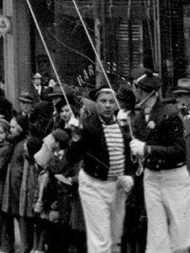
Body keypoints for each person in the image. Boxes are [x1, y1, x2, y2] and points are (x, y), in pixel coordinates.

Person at [130, 70, 190, 253]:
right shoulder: (139, 118)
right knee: (156, 234)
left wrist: (147, 149)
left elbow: (179, 150)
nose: (136, 94)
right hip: (152, 177)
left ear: (146, 92)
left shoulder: (169, 114)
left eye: (138, 90)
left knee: (180, 233)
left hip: (173, 177)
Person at [70, 84, 135, 253]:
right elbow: (72, 157)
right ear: (96, 103)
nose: (107, 105)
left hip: (117, 186)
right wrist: (75, 138)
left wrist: (130, 176)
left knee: (115, 239)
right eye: (103, 101)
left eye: (111, 102)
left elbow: (130, 157)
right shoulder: (87, 126)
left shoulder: (123, 125)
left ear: (116, 105)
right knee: (100, 240)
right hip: (94, 186)